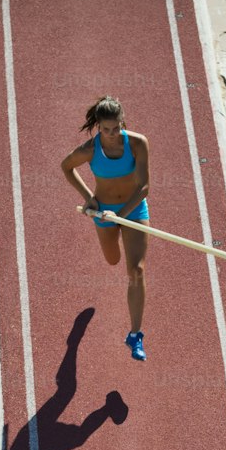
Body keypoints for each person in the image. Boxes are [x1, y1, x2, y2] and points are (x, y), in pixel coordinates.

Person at [60, 95, 150, 362]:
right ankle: (74, 340)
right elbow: (66, 168)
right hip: (103, 213)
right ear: (98, 126)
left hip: (132, 210)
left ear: (123, 122)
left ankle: (135, 335)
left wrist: (120, 216)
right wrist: (89, 197)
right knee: (112, 260)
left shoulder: (137, 143)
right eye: (106, 129)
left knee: (137, 271)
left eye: (116, 128)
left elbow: (144, 187)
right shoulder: (89, 149)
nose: (111, 134)